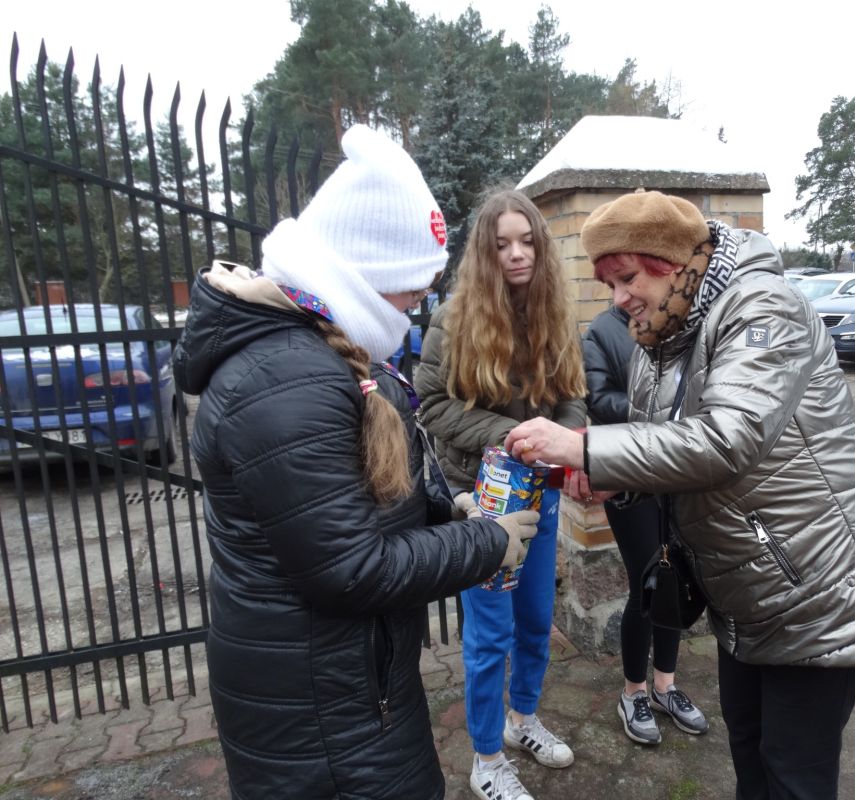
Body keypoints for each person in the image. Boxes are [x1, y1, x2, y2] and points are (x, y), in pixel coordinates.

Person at [503, 190, 855, 800]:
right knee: (749, 750)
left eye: (627, 277)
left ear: (670, 263)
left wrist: (587, 447)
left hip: (815, 584)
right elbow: (668, 448)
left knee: (793, 773)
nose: (619, 298)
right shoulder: (661, 335)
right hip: (747, 587)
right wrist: (618, 476)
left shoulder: (762, 306)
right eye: (609, 284)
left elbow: (728, 438)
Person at [172, 125, 540, 800]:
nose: (416, 304)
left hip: (346, 687)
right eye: (410, 289)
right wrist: (486, 543)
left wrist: (445, 513)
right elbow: (348, 572)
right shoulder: (286, 379)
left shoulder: (317, 353)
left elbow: (352, 506)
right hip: (321, 716)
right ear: (364, 273)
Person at [415, 189, 587, 800]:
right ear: (484, 254)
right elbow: (431, 404)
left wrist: (566, 436)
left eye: (527, 241)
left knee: (536, 620)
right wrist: (514, 435)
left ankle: (522, 721)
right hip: (483, 503)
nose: (517, 254)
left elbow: (573, 394)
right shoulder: (453, 319)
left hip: (540, 495)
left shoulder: (553, 313)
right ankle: (486, 758)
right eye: (502, 244)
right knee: (490, 637)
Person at [582, 305, 708, 744]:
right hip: (628, 473)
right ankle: (632, 691)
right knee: (646, 580)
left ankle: (664, 686)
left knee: (674, 575)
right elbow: (597, 399)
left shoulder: (679, 321)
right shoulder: (602, 331)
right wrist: (663, 414)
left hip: (676, 470)